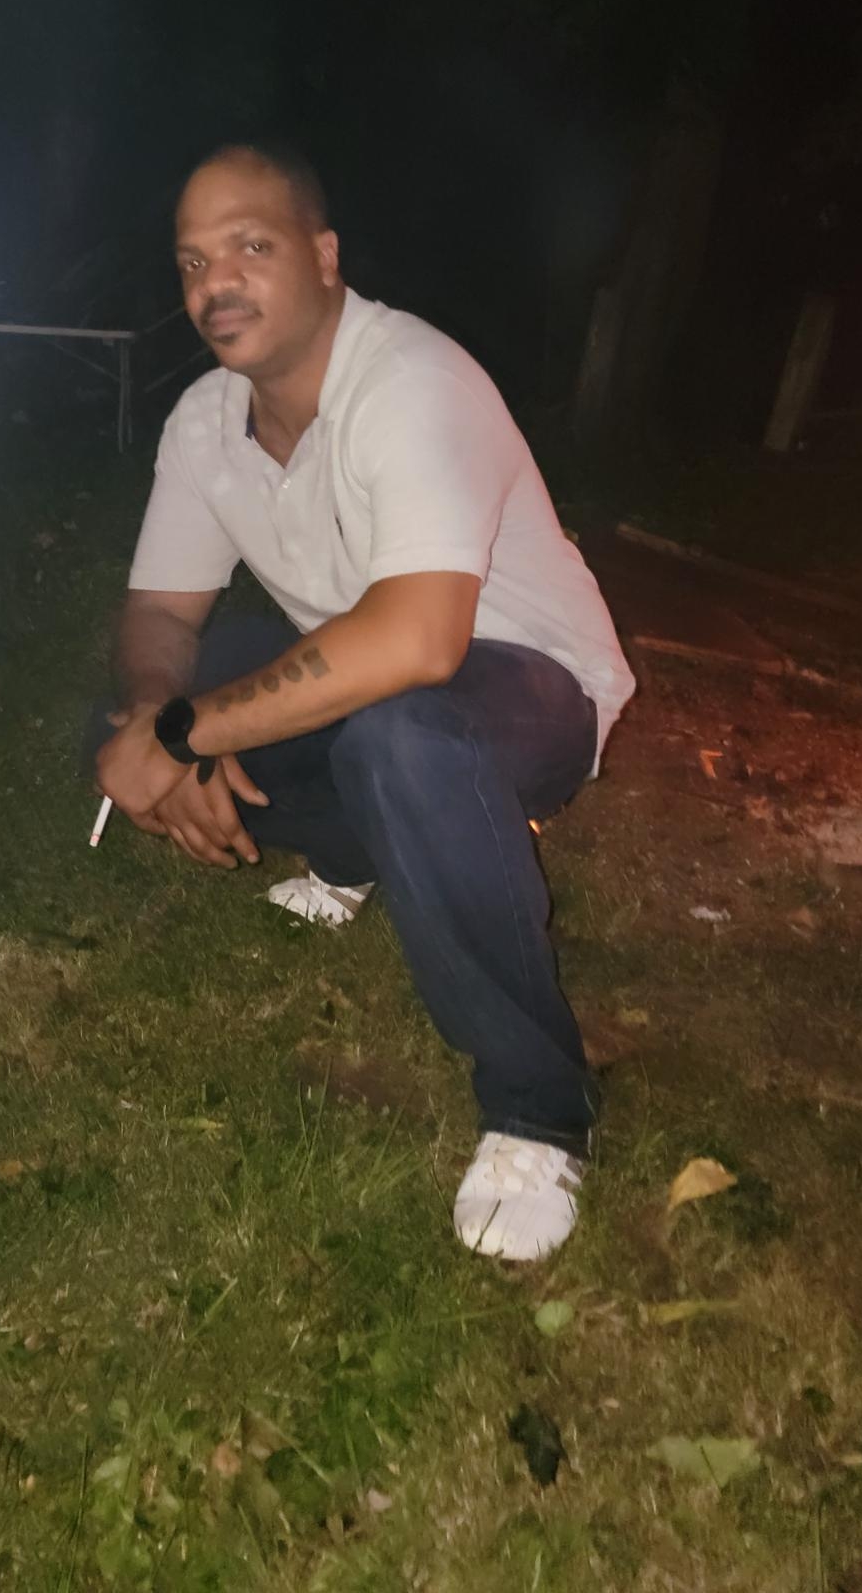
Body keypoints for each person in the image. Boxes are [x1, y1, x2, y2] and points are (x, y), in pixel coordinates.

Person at [93, 143, 634, 1261]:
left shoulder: (412, 382)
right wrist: (155, 714)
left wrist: (187, 737)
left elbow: (420, 641)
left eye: (251, 245)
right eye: (193, 261)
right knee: (110, 730)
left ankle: (539, 1108)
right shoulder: (206, 419)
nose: (216, 282)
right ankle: (361, 849)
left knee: (400, 736)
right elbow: (160, 613)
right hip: (366, 676)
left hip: (530, 687)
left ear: (326, 256)